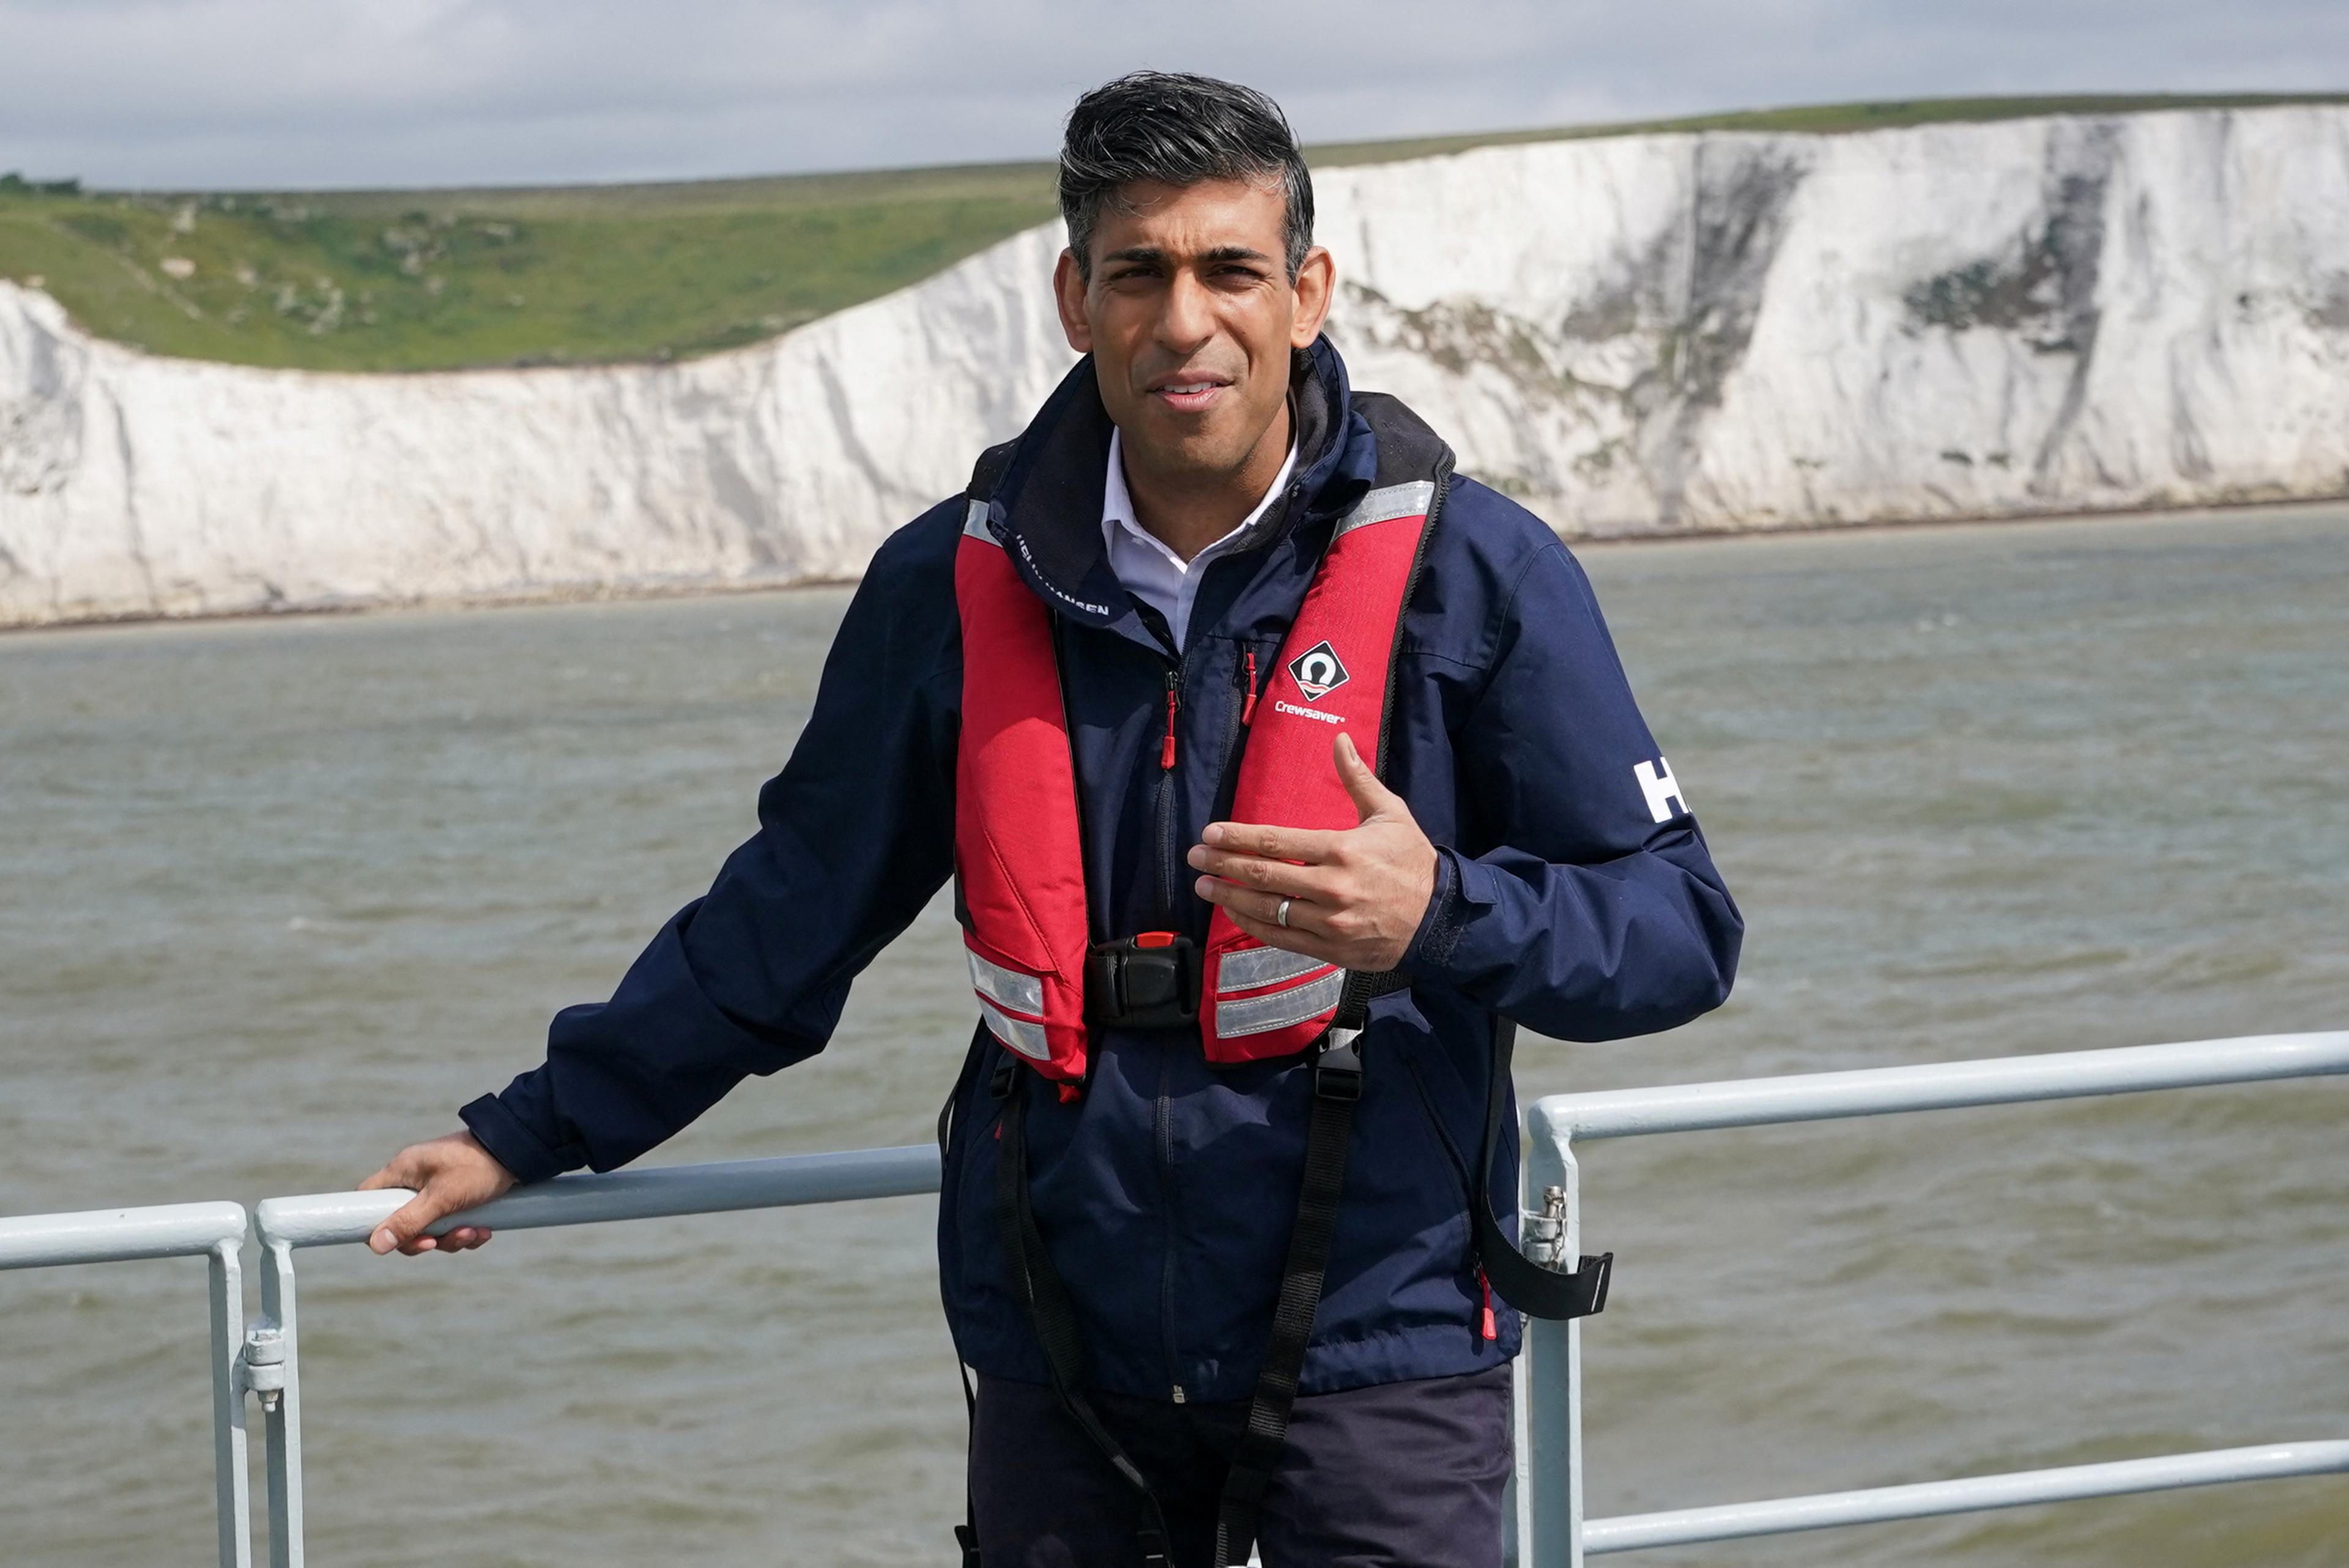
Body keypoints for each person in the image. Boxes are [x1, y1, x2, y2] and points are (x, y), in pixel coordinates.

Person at [358, 71, 1742, 1568]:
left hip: (1378, 1344)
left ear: (1309, 292)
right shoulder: (951, 585)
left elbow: (1679, 931)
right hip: (1056, 1341)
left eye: (1231, 269)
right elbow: (786, 916)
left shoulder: (1478, 573)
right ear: (1075, 297)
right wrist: (529, 1131)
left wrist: (1444, 913)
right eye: (1139, 273)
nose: (1186, 319)